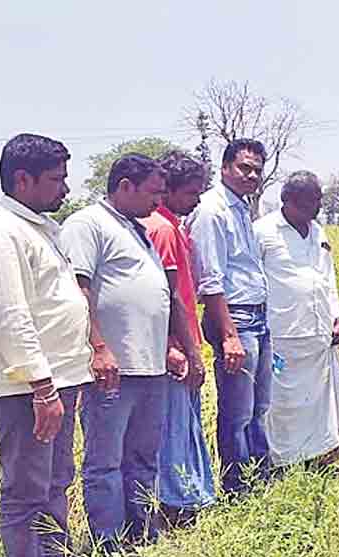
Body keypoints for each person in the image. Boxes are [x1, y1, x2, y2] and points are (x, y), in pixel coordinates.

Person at [0, 134, 91, 557]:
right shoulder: (0, 234)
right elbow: (11, 317)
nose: (65, 188)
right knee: (26, 489)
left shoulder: (42, 228)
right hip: (26, 389)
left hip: (60, 381)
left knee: (58, 480)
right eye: (56, 179)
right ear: (24, 179)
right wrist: (42, 388)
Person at [59, 155, 198, 551]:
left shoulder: (138, 230)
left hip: (150, 366)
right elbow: (77, 290)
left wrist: (171, 348)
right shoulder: (88, 225)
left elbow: (158, 296)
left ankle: (141, 534)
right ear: (124, 186)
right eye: (153, 192)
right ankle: (109, 543)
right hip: (113, 369)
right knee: (105, 462)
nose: (159, 201)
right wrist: (98, 347)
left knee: (143, 457)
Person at [189, 139, 271, 494]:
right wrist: (228, 335)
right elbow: (210, 280)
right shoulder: (211, 210)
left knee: (259, 407)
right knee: (237, 411)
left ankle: (260, 479)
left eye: (256, 169)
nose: (251, 175)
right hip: (235, 319)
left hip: (258, 317)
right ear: (225, 168)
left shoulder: (241, 208)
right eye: (244, 168)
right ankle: (239, 488)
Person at [258, 171, 339, 465]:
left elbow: (328, 277)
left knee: (318, 403)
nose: (316, 207)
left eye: (318, 200)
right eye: (309, 201)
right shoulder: (263, 231)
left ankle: (317, 459)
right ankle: (281, 464)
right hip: (282, 334)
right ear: (287, 201)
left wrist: (337, 315)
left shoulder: (318, 232)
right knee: (282, 405)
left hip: (319, 332)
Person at [140, 152, 213, 528]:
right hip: (176, 347)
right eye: (189, 193)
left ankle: (179, 501)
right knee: (176, 428)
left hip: (174, 342)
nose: (197, 200)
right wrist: (179, 347)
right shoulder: (163, 230)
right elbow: (169, 297)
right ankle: (177, 505)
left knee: (178, 426)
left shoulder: (167, 226)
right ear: (165, 191)